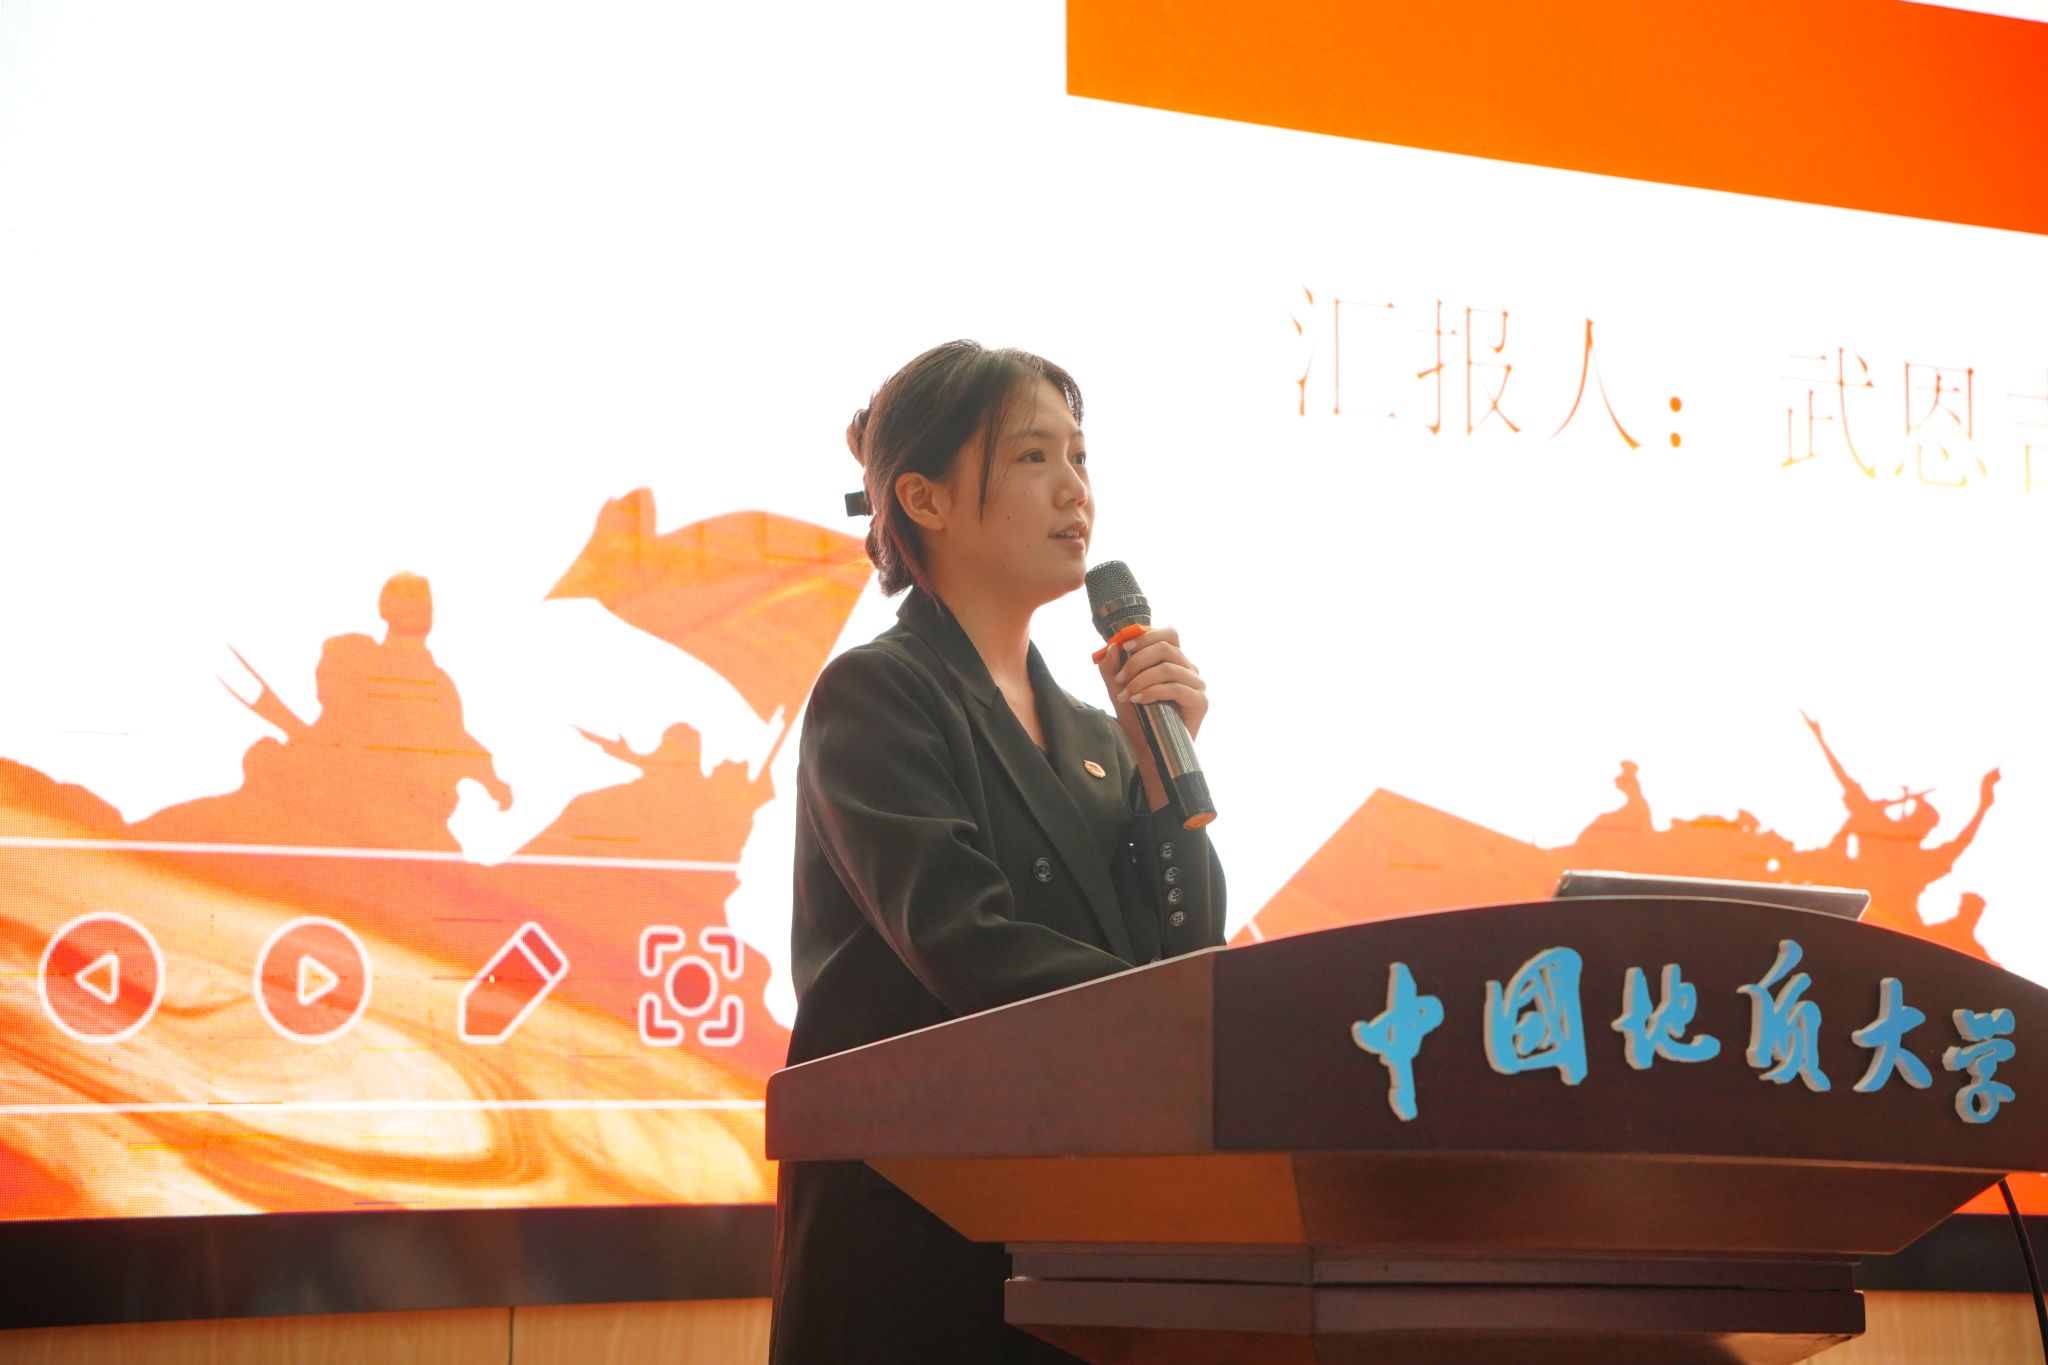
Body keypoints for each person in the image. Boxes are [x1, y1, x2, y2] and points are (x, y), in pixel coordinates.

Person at [768, 341, 1225, 1363]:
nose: (1074, 488)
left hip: (1078, 1238)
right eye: (1031, 456)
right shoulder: (879, 695)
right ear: (922, 499)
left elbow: (1182, 952)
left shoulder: (1101, 735)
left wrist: (1166, 784)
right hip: (913, 1242)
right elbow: (966, 943)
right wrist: (1202, 1023)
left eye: (1079, 456)